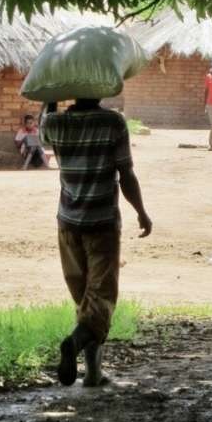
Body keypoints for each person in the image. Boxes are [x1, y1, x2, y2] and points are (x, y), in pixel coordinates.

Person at [40, 98, 152, 388]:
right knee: (100, 300)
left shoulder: (55, 123)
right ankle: (74, 344)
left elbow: (44, 130)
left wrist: (51, 101)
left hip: (67, 223)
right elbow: (126, 174)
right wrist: (141, 211)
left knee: (85, 301)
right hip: (101, 224)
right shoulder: (113, 123)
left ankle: (93, 373)